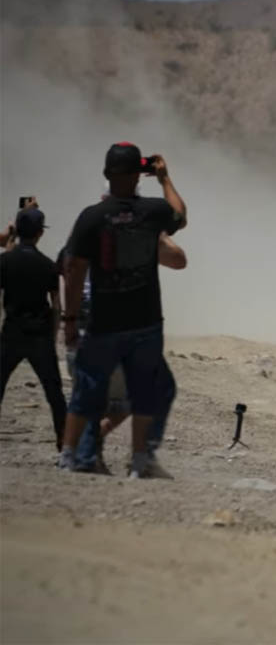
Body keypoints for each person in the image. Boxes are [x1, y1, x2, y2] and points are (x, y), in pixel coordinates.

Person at [59, 143, 187, 477]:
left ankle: (76, 457)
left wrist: (69, 320)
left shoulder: (91, 218)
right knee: (147, 390)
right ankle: (140, 459)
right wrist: (165, 179)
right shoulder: (152, 213)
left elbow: (73, 270)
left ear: (106, 174)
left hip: (104, 321)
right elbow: (180, 218)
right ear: (138, 175)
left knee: (89, 390)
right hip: (145, 320)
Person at [73, 233, 188, 476]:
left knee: (104, 396)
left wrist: (68, 320)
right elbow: (178, 260)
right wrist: (161, 236)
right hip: (124, 326)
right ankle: (138, 458)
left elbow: (68, 273)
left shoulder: (89, 229)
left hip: (91, 323)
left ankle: (86, 454)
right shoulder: (136, 236)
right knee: (157, 389)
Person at [0, 207, 67, 450]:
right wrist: (53, 334)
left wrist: (9, 242)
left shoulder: (5, 260)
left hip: (12, 333)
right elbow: (57, 306)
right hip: (39, 334)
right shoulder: (48, 266)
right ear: (40, 233)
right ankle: (64, 441)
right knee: (54, 392)